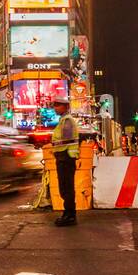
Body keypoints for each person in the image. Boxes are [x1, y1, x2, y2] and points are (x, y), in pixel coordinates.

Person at [49, 96, 80, 227]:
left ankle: (70, 215)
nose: (55, 107)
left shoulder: (67, 120)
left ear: (65, 107)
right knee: (65, 187)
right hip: (63, 157)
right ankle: (67, 213)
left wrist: (53, 143)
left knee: (66, 187)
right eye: (54, 105)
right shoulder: (63, 120)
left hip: (66, 157)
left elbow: (65, 139)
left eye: (58, 105)